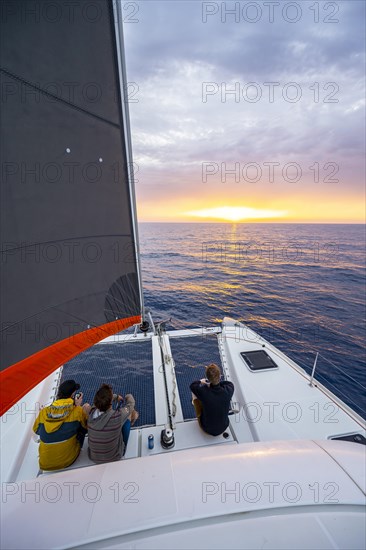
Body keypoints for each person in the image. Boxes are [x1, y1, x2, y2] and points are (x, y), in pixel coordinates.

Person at [33, 379, 91, 470]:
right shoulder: (77, 411)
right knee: (82, 421)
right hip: (67, 460)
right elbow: (86, 428)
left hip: (45, 464)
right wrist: (78, 406)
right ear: (72, 395)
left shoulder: (44, 412)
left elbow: (36, 430)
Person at [87, 383, 138, 464]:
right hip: (114, 457)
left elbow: (96, 404)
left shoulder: (90, 414)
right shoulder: (117, 416)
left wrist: (115, 397)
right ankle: (126, 438)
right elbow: (131, 404)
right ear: (110, 403)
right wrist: (128, 396)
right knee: (132, 414)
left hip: (94, 457)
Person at [190, 363, 234, 436]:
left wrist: (201, 381)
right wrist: (216, 381)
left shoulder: (203, 391)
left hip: (207, 428)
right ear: (220, 376)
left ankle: (197, 407)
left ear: (207, 378)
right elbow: (229, 383)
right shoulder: (228, 390)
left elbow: (192, 385)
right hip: (224, 426)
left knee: (195, 394)